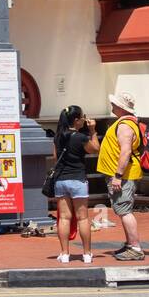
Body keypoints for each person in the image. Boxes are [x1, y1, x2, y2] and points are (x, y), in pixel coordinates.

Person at [96, 91, 145, 261]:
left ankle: (135, 247)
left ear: (121, 107)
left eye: (115, 104)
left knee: (124, 211)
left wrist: (117, 175)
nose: (112, 106)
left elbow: (125, 152)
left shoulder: (125, 125)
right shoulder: (125, 123)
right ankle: (130, 244)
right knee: (123, 209)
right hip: (121, 174)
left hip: (122, 175)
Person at [51, 105, 99, 265]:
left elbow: (55, 156)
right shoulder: (80, 137)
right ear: (77, 120)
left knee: (64, 218)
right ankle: (86, 254)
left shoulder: (58, 136)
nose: (85, 120)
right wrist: (92, 131)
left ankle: (64, 254)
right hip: (77, 179)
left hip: (61, 180)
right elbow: (95, 149)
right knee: (83, 218)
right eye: (82, 117)